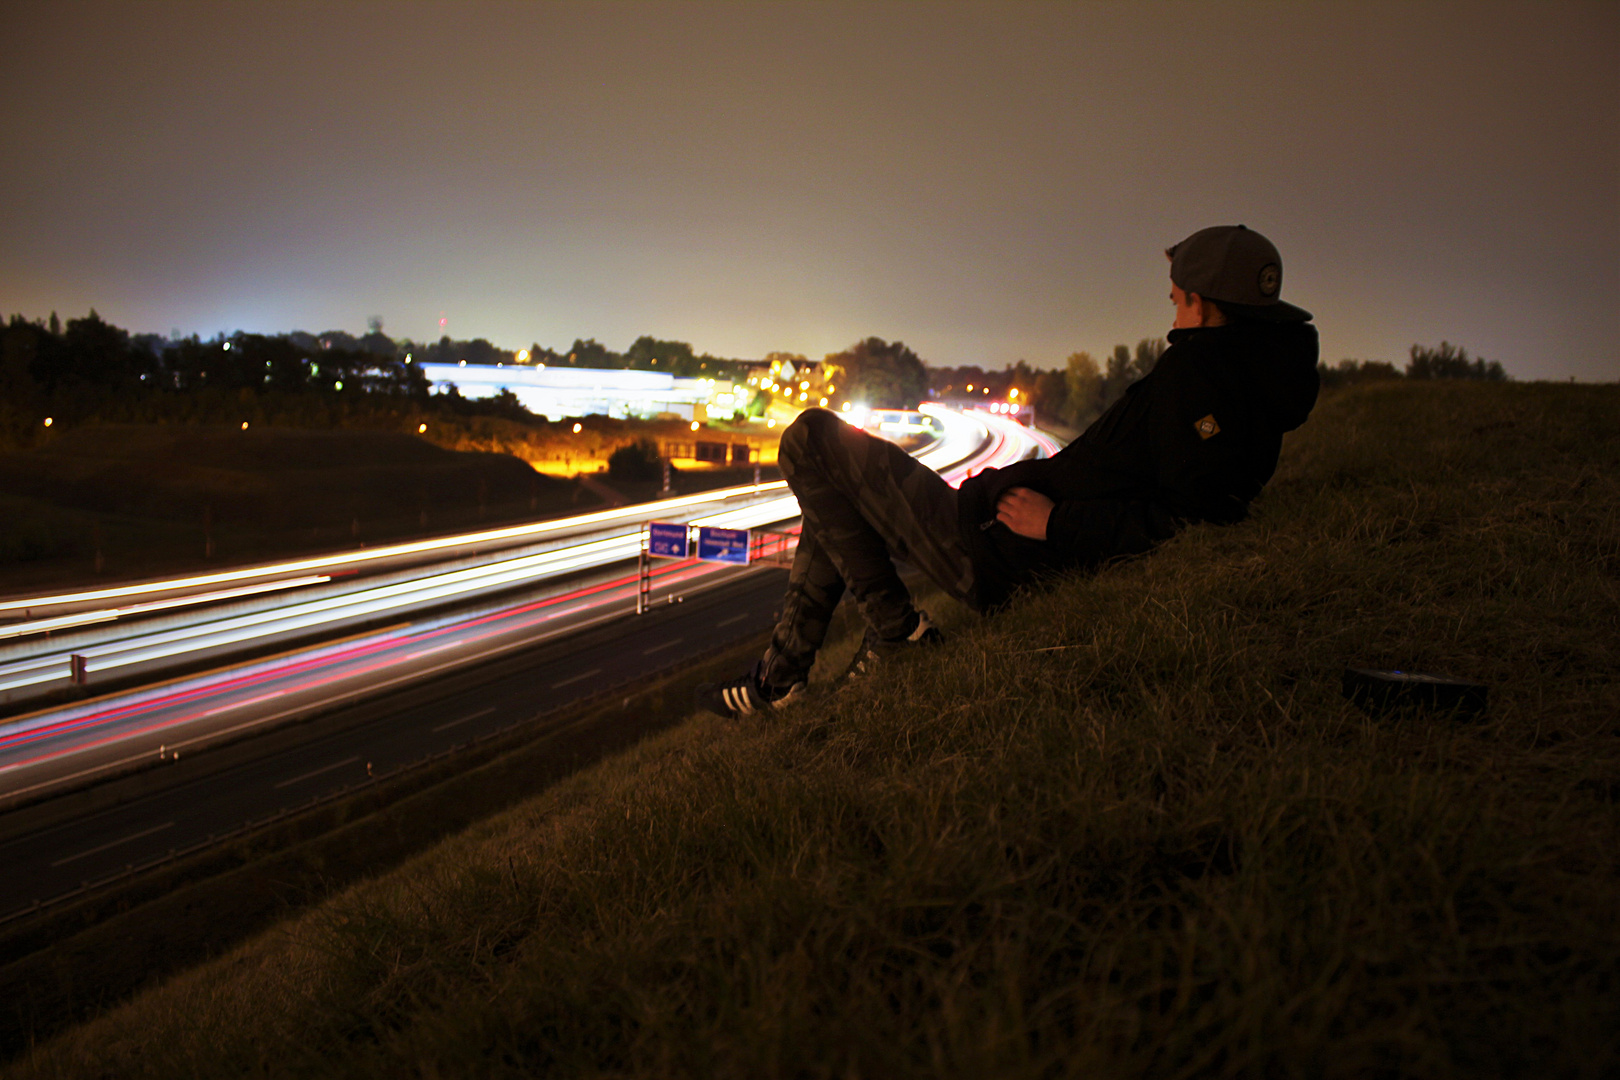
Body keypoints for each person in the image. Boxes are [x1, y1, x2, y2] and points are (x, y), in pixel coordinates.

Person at [697, 224, 1320, 718]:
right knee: (838, 498)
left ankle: (894, 634)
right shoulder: (1247, 380)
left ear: (1207, 306)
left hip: (1001, 553)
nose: (1172, 309)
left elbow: (1192, 520)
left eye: (1179, 299)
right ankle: (778, 683)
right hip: (1004, 532)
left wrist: (1057, 524)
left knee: (810, 440)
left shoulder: (1202, 382)